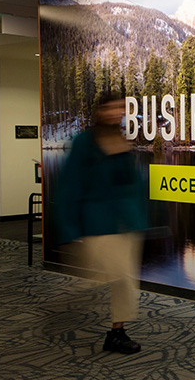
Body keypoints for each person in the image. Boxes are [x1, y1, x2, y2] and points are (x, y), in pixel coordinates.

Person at [55, 91, 149, 354]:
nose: (115, 113)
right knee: (112, 276)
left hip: (126, 224)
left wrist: (141, 219)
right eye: (110, 108)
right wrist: (69, 228)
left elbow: (133, 185)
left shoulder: (122, 140)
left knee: (125, 279)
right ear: (100, 111)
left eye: (120, 108)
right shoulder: (85, 142)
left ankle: (117, 332)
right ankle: (71, 302)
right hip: (98, 222)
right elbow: (69, 186)